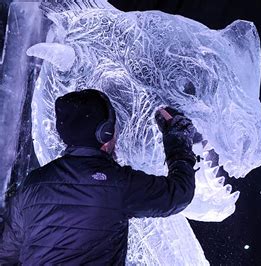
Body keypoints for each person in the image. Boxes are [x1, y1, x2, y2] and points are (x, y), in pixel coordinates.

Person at [0, 89, 197, 264]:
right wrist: (178, 138)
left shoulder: (32, 184)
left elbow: (6, 254)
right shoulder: (116, 184)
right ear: (105, 132)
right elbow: (179, 194)